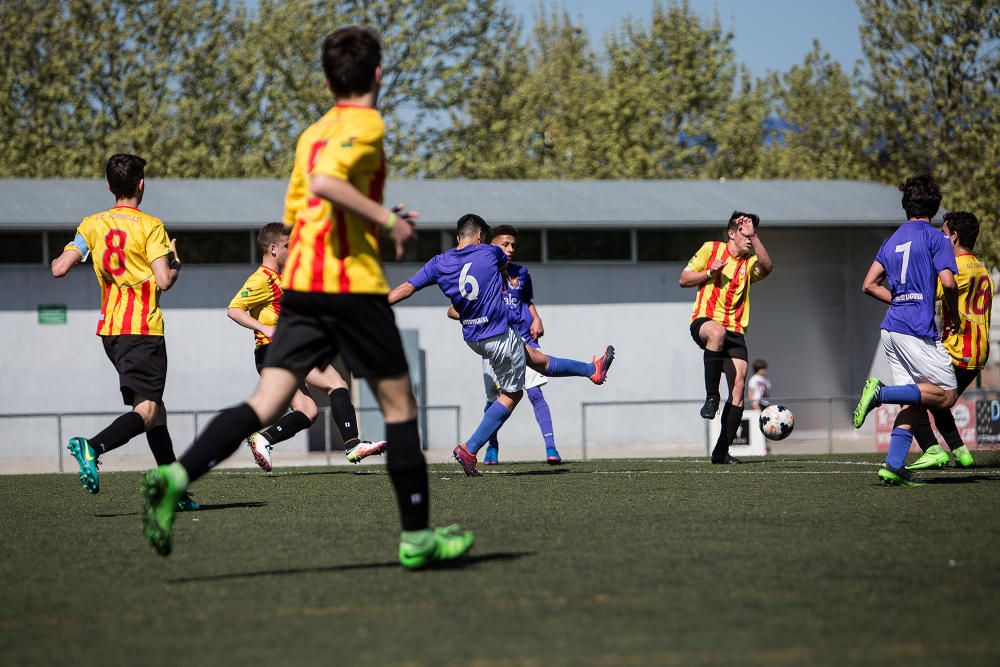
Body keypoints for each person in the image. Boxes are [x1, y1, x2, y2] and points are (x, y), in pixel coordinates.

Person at [141, 27, 474, 569]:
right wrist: (387, 220)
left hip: (300, 286)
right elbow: (324, 183)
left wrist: (366, 223)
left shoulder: (311, 132)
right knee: (399, 407)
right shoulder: (366, 123)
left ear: (325, 80)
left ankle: (176, 476)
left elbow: (308, 209)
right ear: (377, 75)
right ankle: (417, 538)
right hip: (350, 284)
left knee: (266, 403)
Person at [388, 213, 615, 477]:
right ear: (481, 236)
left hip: (475, 337)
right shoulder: (490, 253)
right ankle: (470, 448)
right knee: (513, 394)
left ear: (459, 235)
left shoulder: (439, 262)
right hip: (497, 336)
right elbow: (503, 264)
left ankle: (591, 370)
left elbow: (407, 287)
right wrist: (506, 275)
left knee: (536, 359)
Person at [50, 153, 197, 510]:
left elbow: (58, 268)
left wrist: (81, 251)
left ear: (109, 187)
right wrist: (175, 261)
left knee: (155, 410)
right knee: (147, 410)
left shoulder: (92, 225)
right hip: (143, 329)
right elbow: (165, 280)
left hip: (111, 332)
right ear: (141, 185)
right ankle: (93, 446)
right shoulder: (151, 226)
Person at [228, 222, 387, 472]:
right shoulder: (262, 278)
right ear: (272, 249)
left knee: (308, 411)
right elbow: (234, 309)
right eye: (287, 246)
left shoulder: (282, 278)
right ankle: (353, 444)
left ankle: (263, 439)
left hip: (276, 354)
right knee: (337, 383)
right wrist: (264, 328)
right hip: (278, 350)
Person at [852, 174, 961, 487]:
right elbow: (949, 283)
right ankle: (879, 393)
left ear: (905, 206)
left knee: (914, 402)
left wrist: (898, 299)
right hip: (915, 327)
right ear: (935, 206)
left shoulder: (892, 239)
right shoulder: (936, 237)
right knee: (946, 395)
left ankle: (893, 466)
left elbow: (868, 284)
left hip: (892, 328)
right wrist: (950, 312)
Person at [679, 212, 773, 464]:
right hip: (705, 321)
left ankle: (721, 451)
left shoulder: (749, 263)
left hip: (736, 332)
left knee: (739, 388)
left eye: (753, 235)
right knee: (717, 332)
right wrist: (709, 271)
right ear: (731, 233)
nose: (750, 240)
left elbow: (767, 267)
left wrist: (755, 235)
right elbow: (683, 279)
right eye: (746, 234)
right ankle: (711, 397)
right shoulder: (711, 249)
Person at [906, 211, 989, 470]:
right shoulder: (980, 267)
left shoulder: (958, 268)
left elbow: (932, 291)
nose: (940, 238)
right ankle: (961, 453)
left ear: (953, 237)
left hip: (960, 349)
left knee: (914, 395)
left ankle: (933, 449)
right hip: (975, 349)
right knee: (936, 402)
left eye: (942, 234)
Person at [477, 225, 560, 465]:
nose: (510, 249)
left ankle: (551, 448)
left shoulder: (521, 272)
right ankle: (491, 447)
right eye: (505, 244)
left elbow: (526, 299)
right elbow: (456, 309)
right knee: (496, 399)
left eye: (513, 245)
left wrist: (536, 317)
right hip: (496, 343)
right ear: (490, 245)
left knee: (535, 392)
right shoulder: (484, 274)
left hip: (524, 340)